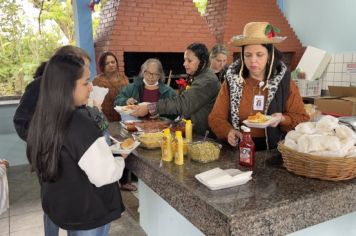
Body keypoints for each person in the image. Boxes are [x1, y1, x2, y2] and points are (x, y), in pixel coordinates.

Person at [26, 54, 127, 235]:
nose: (91, 88)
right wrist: (120, 159)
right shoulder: (79, 122)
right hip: (89, 211)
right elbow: (104, 174)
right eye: (86, 82)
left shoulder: (43, 116)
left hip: (68, 206)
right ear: (67, 86)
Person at [208, 22, 309, 150]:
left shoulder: (284, 82)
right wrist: (228, 131)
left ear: (269, 56)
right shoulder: (232, 81)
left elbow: (302, 118)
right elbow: (216, 117)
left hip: (274, 150)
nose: (253, 60)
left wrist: (283, 119)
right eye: (248, 55)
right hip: (240, 147)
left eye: (259, 55)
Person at [131, 43, 221, 136]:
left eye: (189, 61)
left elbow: (183, 103)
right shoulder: (199, 76)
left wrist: (151, 107)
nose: (184, 64)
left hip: (204, 136)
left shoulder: (207, 81)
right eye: (185, 60)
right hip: (196, 131)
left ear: (203, 62)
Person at [93, 52, 129, 122]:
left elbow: (128, 96)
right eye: (107, 63)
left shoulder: (124, 79)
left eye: (113, 62)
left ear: (116, 63)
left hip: (123, 117)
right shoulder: (97, 81)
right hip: (105, 120)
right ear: (102, 66)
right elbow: (94, 103)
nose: (111, 65)